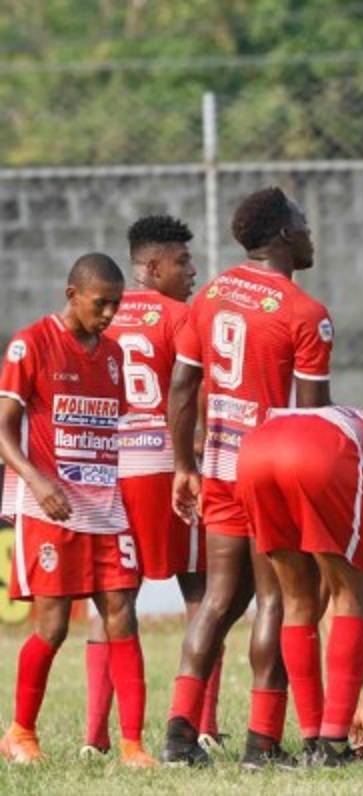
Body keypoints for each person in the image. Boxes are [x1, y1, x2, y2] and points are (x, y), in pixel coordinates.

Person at [161, 187, 335, 768]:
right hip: (271, 471)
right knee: (276, 600)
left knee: (218, 598)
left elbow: (182, 386)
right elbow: (312, 418)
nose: (310, 232)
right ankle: (262, 743)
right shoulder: (304, 313)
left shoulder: (211, 294)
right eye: (303, 221)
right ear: (284, 234)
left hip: (219, 463)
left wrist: (184, 465)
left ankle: (178, 736)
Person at [0, 254, 155, 767]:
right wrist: (35, 479)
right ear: (72, 295)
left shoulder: (113, 355)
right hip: (50, 509)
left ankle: (132, 745)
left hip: (105, 509)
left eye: (116, 304)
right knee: (53, 626)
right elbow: (3, 427)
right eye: (100, 303)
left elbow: (104, 426)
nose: (109, 314)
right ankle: (20, 734)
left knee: (122, 613)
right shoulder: (31, 343)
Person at [236, 405, 363, 765]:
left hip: (256, 448)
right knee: (356, 594)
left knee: (297, 602)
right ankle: (332, 744)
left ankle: (287, 742)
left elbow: (318, 598)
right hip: (322, 448)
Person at [82, 216, 215, 758]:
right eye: (183, 262)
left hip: (112, 472)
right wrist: (196, 455)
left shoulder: (101, 315)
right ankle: (201, 724)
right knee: (203, 590)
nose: (193, 270)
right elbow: (192, 393)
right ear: (154, 267)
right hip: (166, 467)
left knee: (113, 599)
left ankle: (95, 735)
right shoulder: (182, 316)